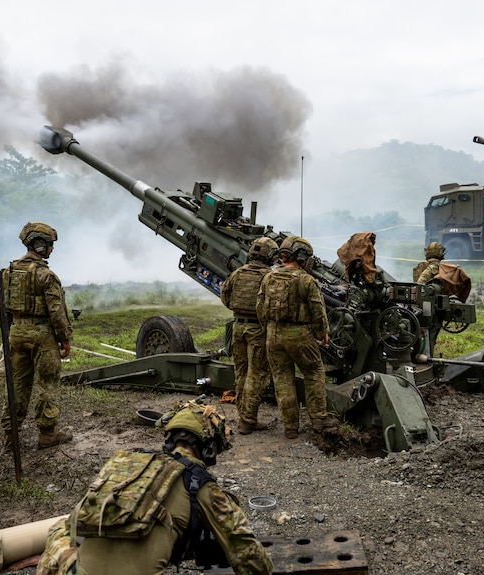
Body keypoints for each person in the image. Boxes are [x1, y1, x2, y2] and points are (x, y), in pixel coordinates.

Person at [36, 401, 274, 575]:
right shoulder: (202, 485)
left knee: (59, 529)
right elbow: (250, 556)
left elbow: (77, 521)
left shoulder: (128, 464)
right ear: (209, 449)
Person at [0, 222, 73, 450]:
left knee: (17, 384)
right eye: (49, 245)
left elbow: (1, 309)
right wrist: (65, 338)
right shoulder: (46, 275)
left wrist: (9, 333)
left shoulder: (8, 273)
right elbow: (56, 311)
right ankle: (47, 434)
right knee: (47, 384)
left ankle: (10, 435)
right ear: (41, 246)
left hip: (17, 334)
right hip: (43, 338)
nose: (51, 249)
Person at [256, 236, 337, 439]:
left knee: (282, 380)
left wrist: (269, 328)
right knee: (314, 371)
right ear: (302, 257)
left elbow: (259, 307)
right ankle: (319, 419)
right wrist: (322, 333)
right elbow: (318, 310)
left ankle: (290, 427)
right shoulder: (306, 280)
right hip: (299, 335)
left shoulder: (269, 277)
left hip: (273, 335)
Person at [220, 237, 278, 435]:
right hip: (257, 330)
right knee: (257, 374)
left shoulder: (237, 273)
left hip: (238, 328)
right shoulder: (269, 277)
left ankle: (243, 416)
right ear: (269, 256)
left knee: (241, 372)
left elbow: (225, 296)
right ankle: (248, 420)